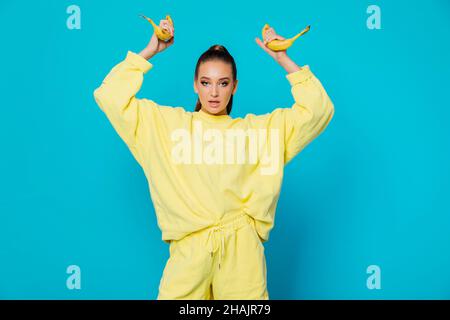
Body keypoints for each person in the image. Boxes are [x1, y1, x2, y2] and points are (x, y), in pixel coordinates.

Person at [93, 18, 334, 300]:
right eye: (206, 83)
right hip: (189, 251)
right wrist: (150, 51)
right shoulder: (167, 126)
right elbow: (109, 95)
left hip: (242, 253)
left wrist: (283, 59)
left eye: (223, 83)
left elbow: (319, 110)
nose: (214, 92)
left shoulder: (257, 131)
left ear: (234, 86)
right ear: (195, 85)